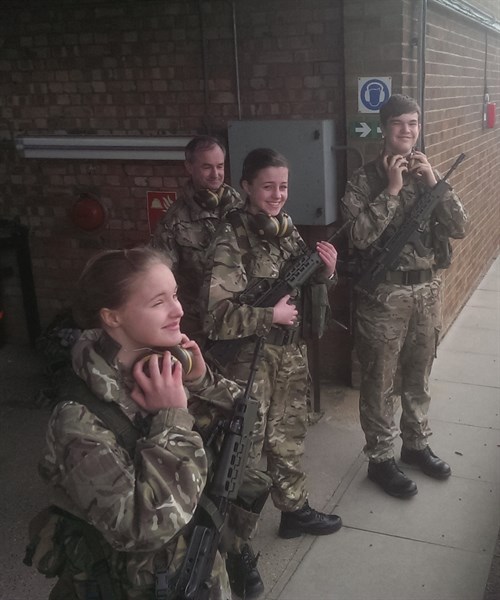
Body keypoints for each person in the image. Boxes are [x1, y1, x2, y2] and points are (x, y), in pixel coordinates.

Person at [37, 247, 269, 599]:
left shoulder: (164, 366)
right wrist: (174, 420)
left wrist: (203, 382)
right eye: (158, 302)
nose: (178, 310)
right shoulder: (79, 418)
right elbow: (141, 526)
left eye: (174, 295)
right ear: (112, 317)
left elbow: (253, 426)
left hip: (198, 565)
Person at [203, 147, 343, 540]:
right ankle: (234, 543)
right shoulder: (231, 239)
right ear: (246, 186)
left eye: (283, 186)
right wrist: (269, 316)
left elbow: (303, 286)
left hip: (289, 355)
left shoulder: (285, 229)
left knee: (288, 435)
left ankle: (294, 509)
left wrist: (327, 273)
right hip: (250, 364)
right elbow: (216, 317)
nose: (277, 194)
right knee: (243, 456)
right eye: (268, 187)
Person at [340, 94, 468, 498]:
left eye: (413, 123)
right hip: (384, 294)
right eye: (399, 124)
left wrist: (434, 183)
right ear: (384, 128)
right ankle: (380, 459)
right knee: (379, 380)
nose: (408, 131)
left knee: (419, 373)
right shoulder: (363, 180)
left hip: (427, 289)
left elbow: (461, 226)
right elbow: (357, 238)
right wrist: (392, 190)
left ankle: (415, 445)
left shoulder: (428, 173)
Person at [152, 135, 243, 347]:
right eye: (207, 167)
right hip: (199, 329)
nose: (216, 174)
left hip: (241, 319)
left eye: (220, 166)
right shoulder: (174, 221)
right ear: (189, 167)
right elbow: (161, 277)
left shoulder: (242, 209)